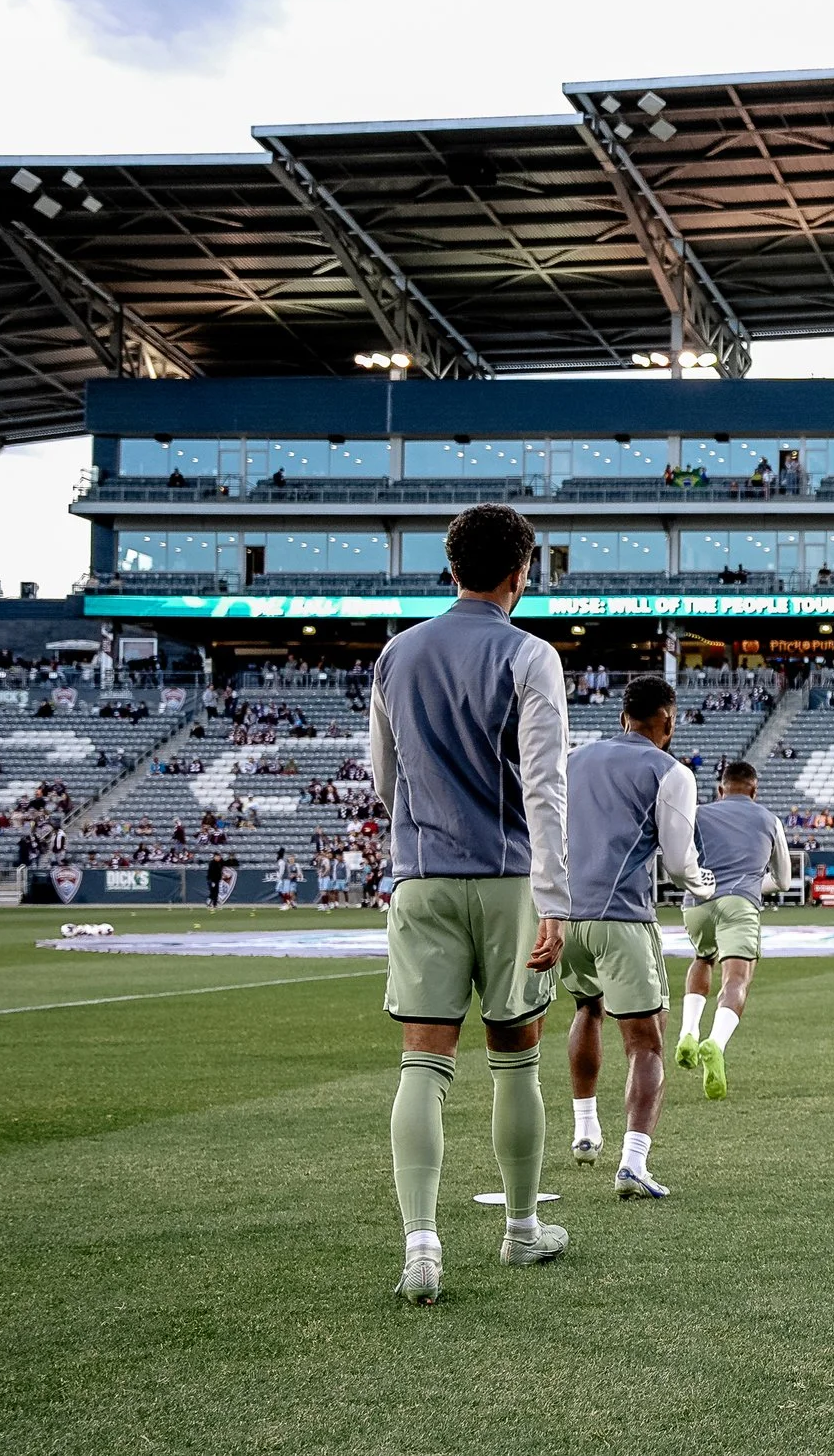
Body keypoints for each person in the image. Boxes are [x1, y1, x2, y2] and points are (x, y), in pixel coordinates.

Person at [369, 502, 574, 1304]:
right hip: (509, 878)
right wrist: (556, 897)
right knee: (515, 1056)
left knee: (424, 1062)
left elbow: (385, 779)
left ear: (450, 569)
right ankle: (521, 1231)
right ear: (522, 573)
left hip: (421, 875)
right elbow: (548, 787)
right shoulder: (530, 656)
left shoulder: (395, 654)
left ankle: (421, 1246)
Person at [562, 675, 714, 1198]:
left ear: (622, 713)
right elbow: (677, 863)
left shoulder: (573, 760)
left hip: (562, 915)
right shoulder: (671, 771)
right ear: (668, 719)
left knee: (587, 1008)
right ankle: (633, 1163)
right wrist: (706, 881)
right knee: (646, 1043)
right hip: (621, 916)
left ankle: (584, 1129)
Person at [678, 759, 789, 1100]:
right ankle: (716, 1042)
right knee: (737, 978)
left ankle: (688, 1032)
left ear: (720, 789)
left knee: (702, 958)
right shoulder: (769, 819)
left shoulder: (697, 813)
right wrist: (755, 886)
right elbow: (783, 880)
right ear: (754, 790)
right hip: (739, 902)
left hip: (697, 902)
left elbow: (677, 857)